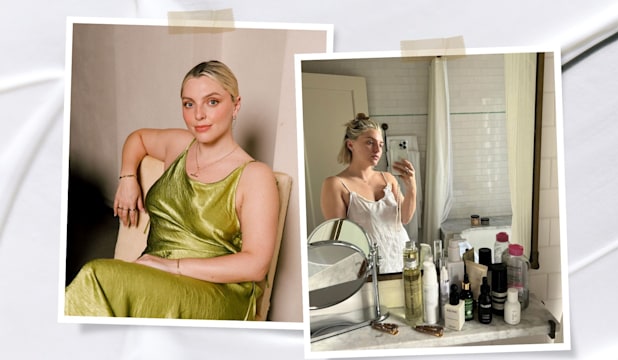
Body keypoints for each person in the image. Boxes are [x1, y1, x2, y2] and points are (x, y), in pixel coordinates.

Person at [65, 60, 279, 320]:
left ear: (236, 106)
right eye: (189, 104)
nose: (198, 114)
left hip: (217, 293)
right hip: (155, 275)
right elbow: (138, 138)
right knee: (102, 283)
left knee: (96, 276)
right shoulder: (179, 145)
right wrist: (128, 177)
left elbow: (256, 265)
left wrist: (171, 266)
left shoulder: (255, 175)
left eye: (212, 102)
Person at [320, 113, 417, 273]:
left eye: (380, 144)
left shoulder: (388, 179)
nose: (377, 149)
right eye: (369, 143)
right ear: (350, 145)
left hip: (401, 258)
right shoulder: (335, 185)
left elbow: (405, 218)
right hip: (367, 268)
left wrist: (411, 187)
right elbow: (340, 240)